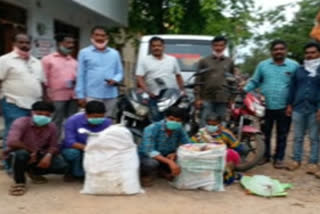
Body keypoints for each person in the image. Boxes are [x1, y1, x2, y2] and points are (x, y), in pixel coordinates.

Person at [244, 40, 299, 169]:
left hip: (285, 107)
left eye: (281, 49)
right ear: (271, 51)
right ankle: (265, 156)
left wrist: (292, 104)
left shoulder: (294, 65)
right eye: (276, 49)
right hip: (265, 106)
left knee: (282, 133)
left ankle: (279, 158)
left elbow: (297, 86)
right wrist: (244, 90)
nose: (278, 51)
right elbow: (254, 81)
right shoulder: (263, 65)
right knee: (264, 133)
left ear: (286, 50)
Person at [0, 33, 45, 167]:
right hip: (13, 103)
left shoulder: (36, 62)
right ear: (14, 43)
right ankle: (9, 165)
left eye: (27, 42)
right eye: (21, 42)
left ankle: (23, 164)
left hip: (34, 106)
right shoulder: (4, 60)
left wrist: (45, 102)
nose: (24, 45)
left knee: (29, 135)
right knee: (13, 135)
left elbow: (41, 83)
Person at [5, 101, 68, 196]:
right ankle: (19, 182)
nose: (43, 117)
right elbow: (12, 142)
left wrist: (48, 155)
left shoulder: (52, 127)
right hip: (19, 154)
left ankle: (33, 172)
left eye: (47, 115)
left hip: (39, 153)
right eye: (39, 114)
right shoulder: (21, 122)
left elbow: (54, 145)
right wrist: (31, 151)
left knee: (61, 166)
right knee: (21, 154)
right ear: (32, 112)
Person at [286, 42, 320, 174]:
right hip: (298, 108)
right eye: (307, 53)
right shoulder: (300, 70)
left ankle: (313, 162)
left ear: (318, 53)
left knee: (314, 137)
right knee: (297, 137)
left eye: (313, 52)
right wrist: (289, 104)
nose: (310, 55)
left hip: (314, 109)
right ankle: (296, 160)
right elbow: (292, 88)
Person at [76, 26, 124, 117]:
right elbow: (80, 75)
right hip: (91, 94)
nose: (100, 38)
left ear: (107, 38)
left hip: (111, 94)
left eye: (103, 36)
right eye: (97, 35)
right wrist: (80, 95)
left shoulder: (114, 53)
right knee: (91, 119)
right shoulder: (84, 52)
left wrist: (115, 79)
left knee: (108, 120)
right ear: (92, 37)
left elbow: (120, 72)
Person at [136, 36, 185, 121]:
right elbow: (139, 77)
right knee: (156, 119)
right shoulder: (144, 60)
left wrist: (182, 90)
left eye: (159, 45)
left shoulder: (172, 59)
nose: (156, 48)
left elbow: (178, 76)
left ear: (163, 46)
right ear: (150, 47)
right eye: (154, 46)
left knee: (171, 119)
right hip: (154, 96)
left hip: (170, 96)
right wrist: (146, 90)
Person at [138, 107, 190, 186]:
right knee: (151, 163)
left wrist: (175, 153)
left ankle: (162, 171)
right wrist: (170, 162)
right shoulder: (152, 128)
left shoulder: (180, 128)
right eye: (171, 119)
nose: (174, 122)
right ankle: (144, 175)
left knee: (185, 157)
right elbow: (149, 151)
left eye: (178, 121)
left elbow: (187, 144)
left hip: (167, 155)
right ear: (166, 118)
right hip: (148, 157)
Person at [61, 101, 112, 180]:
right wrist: (89, 148)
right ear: (86, 114)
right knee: (72, 153)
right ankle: (71, 172)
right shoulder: (72, 121)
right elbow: (69, 142)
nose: (98, 119)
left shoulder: (107, 122)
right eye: (94, 117)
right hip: (77, 148)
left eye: (101, 117)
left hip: (97, 148)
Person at [194, 36, 235, 127]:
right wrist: (197, 98)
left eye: (221, 45)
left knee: (221, 123)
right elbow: (198, 80)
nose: (218, 48)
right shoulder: (204, 61)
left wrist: (232, 99)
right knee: (205, 121)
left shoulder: (229, 62)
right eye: (216, 45)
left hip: (223, 97)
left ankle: (219, 141)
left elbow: (232, 81)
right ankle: (204, 141)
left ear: (224, 47)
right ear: (212, 46)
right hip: (206, 97)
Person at [42, 34, 78, 136]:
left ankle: (69, 142)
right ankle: (54, 144)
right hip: (56, 97)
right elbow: (43, 79)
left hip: (72, 96)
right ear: (59, 43)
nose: (71, 45)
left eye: (72, 43)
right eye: (68, 42)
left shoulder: (74, 61)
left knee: (71, 120)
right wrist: (45, 96)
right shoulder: (48, 59)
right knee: (56, 120)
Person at [191, 113, 241, 184]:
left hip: (220, 159)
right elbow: (191, 143)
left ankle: (225, 174)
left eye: (214, 125)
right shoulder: (201, 133)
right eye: (209, 124)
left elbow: (237, 146)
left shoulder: (226, 133)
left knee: (231, 154)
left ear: (219, 124)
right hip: (205, 158)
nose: (211, 126)